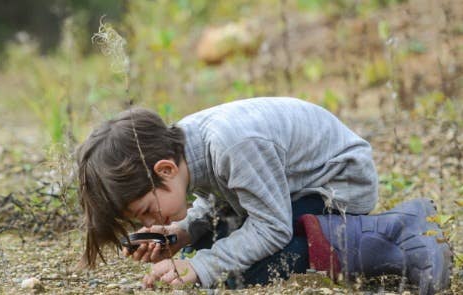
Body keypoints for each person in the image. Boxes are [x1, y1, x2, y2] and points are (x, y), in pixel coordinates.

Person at [76, 97, 451, 294]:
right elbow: (221, 198)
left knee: (248, 270)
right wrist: (184, 232)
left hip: (336, 185)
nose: (149, 222)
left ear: (165, 170)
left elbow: (270, 229)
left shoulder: (231, 144)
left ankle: (398, 232)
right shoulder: (184, 145)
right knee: (209, 248)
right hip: (282, 191)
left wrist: (202, 266)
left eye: (145, 211)